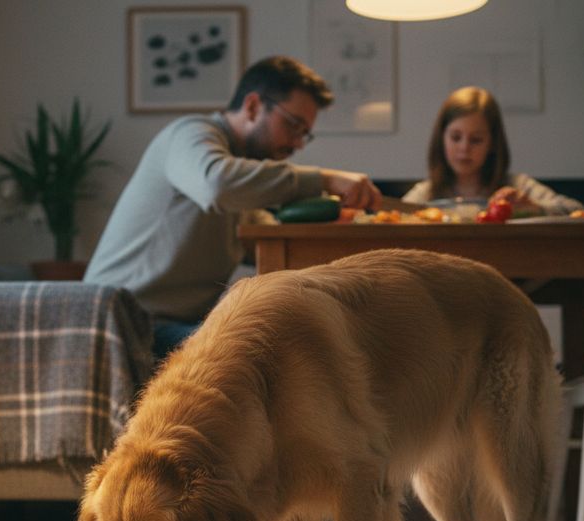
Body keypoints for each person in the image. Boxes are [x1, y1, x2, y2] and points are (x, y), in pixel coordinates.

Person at [83, 56, 382, 358]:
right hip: (128, 325)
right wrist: (324, 180)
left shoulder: (244, 179)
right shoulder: (191, 134)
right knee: (269, 351)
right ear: (253, 106)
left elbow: (263, 238)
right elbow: (216, 184)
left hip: (172, 324)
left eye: (304, 133)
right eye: (293, 125)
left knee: (291, 335)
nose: (298, 144)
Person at [403, 86, 584, 217]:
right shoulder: (425, 194)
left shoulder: (517, 187)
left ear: (492, 143)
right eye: (456, 137)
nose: (464, 148)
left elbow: (576, 210)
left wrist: (534, 208)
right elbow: (390, 219)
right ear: (441, 138)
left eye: (476, 140)